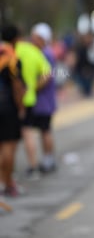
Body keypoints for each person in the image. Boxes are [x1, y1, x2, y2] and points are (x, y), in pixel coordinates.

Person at [15, 23, 52, 179]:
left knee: (11, 138)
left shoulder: (14, 51)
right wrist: (34, 88)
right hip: (29, 99)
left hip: (13, 100)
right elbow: (48, 73)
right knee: (27, 133)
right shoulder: (34, 52)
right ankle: (33, 165)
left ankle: (8, 174)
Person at [22, 23, 58, 176]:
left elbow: (47, 75)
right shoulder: (44, 52)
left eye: (35, 37)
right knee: (43, 131)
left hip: (43, 102)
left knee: (44, 131)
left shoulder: (45, 54)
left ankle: (48, 159)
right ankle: (47, 159)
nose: (32, 39)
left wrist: (33, 87)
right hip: (43, 101)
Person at [0, 25, 26, 198]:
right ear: (16, 39)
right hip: (6, 106)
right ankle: (7, 184)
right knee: (8, 146)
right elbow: (17, 86)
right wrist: (21, 108)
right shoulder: (12, 59)